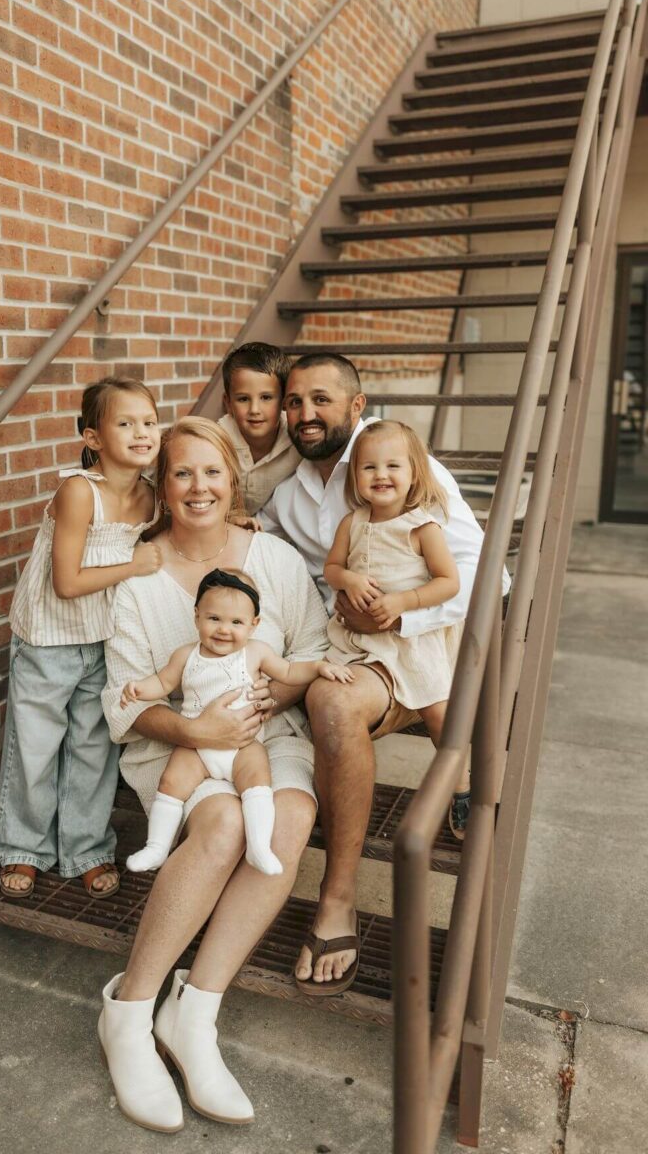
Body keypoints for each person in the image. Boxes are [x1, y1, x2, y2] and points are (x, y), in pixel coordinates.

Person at [99, 416, 328, 1134]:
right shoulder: (140, 576)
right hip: (173, 748)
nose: (199, 486)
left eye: (212, 471)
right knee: (224, 821)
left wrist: (272, 697)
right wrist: (196, 728)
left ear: (234, 479)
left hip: (267, 735)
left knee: (288, 815)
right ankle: (129, 1014)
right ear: (163, 487)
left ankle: (194, 1015)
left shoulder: (279, 562)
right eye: (181, 473)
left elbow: (309, 655)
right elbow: (125, 697)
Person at [256, 350, 505, 994]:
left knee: (334, 707)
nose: (304, 413)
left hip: (411, 637)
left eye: (321, 400)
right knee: (313, 695)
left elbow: (486, 573)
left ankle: (337, 898)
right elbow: (300, 563)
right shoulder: (290, 492)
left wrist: (399, 616)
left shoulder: (398, 465)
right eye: (294, 402)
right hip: (344, 642)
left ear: (357, 406)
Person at [0, 378, 161, 901]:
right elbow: (66, 584)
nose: (142, 432)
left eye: (150, 422)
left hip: (103, 640)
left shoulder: (151, 497)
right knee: (37, 748)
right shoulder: (78, 491)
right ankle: (24, 848)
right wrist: (133, 564)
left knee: (93, 750)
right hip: (50, 639)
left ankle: (86, 850)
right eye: (126, 422)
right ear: (93, 437)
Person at [121, 566, 353, 876]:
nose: (223, 630)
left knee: (257, 779)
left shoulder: (256, 653)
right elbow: (162, 683)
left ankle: (259, 847)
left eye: (236, 622)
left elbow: (287, 672)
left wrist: (319, 667)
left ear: (254, 625)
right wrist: (138, 689)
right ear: (197, 616)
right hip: (197, 746)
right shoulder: (185, 655)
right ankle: (157, 847)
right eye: (214, 618)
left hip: (243, 744)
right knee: (171, 782)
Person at [324, 420, 469, 855]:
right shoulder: (352, 522)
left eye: (393, 466)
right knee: (325, 692)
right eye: (369, 467)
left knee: (439, 712)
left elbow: (449, 582)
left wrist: (405, 601)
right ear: (356, 478)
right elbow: (332, 569)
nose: (380, 475)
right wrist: (347, 578)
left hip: (410, 639)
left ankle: (461, 783)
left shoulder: (423, 527)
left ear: (413, 473)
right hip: (359, 640)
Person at [217, 341, 301, 514]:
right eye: (243, 399)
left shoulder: (297, 440)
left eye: (266, 397)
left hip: (275, 527)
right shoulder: (216, 439)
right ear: (228, 403)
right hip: (223, 524)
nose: (254, 410)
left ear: (284, 401)